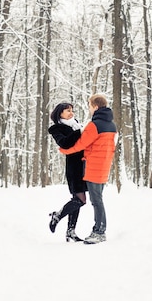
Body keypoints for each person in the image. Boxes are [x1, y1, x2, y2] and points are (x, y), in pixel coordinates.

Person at [58, 94, 116, 244]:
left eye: (90, 106)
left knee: (97, 201)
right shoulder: (112, 125)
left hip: (93, 167)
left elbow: (81, 144)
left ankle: (99, 231)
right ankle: (99, 229)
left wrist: (64, 151)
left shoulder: (94, 125)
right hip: (104, 166)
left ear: (95, 107)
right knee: (98, 200)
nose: (89, 109)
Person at [48, 102, 87, 242]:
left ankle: (70, 232)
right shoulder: (56, 129)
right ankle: (57, 216)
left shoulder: (76, 125)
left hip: (83, 165)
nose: (71, 113)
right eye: (67, 111)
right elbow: (64, 143)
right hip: (74, 168)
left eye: (72, 110)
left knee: (77, 200)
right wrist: (80, 133)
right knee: (81, 200)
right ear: (60, 114)